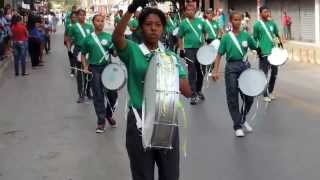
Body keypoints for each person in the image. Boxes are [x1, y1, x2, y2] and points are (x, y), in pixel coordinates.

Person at [112, 1, 192, 179]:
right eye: (148, 24)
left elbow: (187, 92)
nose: (153, 28)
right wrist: (131, 10)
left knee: (170, 174)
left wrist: (179, 70)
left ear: (163, 28)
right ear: (141, 28)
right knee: (143, 174)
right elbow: (117, 38)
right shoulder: (132, 51)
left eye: (158, 25)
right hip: (140, 120)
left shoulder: (170, 57)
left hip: (167, 119)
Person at [212, 11, 257, 137]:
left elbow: (255, 47)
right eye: (235, 20)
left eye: (239, 19)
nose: (237, 22)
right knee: (233, 97)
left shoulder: (246, 36)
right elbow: (219, 54)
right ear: (231, 21)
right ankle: (237, 126)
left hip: (244, 67)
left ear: (242, 21)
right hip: (231, 68)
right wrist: (215, 71)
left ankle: (242, 118)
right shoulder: (226, 37)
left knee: (249, 96)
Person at [81, 14, 118, 133]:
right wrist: (85, 66)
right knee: (98, 96)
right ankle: (101, 122)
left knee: (113, 95)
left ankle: (108, 114)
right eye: (98, 21)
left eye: (102, 21)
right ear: (93, 22)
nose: (100, 23)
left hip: (108, 68)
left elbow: (115, 54)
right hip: (95, 69)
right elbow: (83, 54)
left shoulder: (108, 37)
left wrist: (118, 48)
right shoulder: (88, 39)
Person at [178, 0, 206, 105]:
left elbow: (206, 31)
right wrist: (181, 49)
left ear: (195, 11)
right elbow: (180, 37)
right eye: (188, 10)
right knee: (192, 71)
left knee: (201, 72)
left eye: (192, 10)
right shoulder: (183, 24)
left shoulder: (200, 22)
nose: (190, 11)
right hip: (189, 50)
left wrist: (206, 42)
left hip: (200, 49)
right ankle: (193, 94)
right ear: (185, 12)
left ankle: (199, 90)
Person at [253, 6, 282, 102]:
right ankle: (265, 94)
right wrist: (257, 50)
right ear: (260, 13)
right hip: (264, 53)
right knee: (264, 74)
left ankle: (270, 91)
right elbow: (255, 39)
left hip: (273, 53)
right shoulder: (257, 25)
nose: (267, 13)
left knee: (274, 73)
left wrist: (280, 47)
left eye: (268, 12)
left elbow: (276, 35)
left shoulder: (272, 23)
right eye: (265, 12)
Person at [69, 9, 94, 103]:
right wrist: (70, 49)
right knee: (80, 74)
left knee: (88, 72)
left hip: (89, 52)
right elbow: (70, 38)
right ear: (77, 16)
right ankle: (80, 94)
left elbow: (92, 39)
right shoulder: (74, 27)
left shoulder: (90, 26)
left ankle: (88, 92)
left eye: (84, 15)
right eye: (80, 15)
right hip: (78, 51)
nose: (82, 16)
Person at [65, 11, 77, 76]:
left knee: (77, 58)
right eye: (72, 17)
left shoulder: (79, 26)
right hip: (71, 45)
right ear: (70, 18)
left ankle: (78, 69)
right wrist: (67, 45)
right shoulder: (68, 26)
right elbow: (66, 35)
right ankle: (72, 70)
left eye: (75, 17)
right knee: (71, 58)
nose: (74, 19)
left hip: (77, 45)